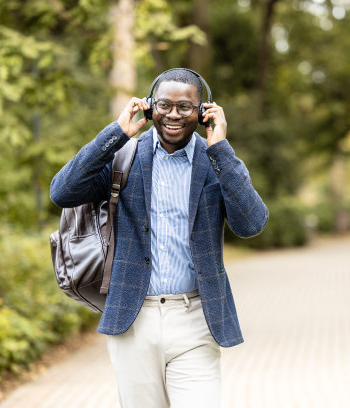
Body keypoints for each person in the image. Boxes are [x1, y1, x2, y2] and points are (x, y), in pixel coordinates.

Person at [49, 68, 268, 407]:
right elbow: (62, 191)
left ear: (203, 111)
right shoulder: (126, 156)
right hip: (134, 319)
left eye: (186, 107)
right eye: (165, 105)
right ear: (150, 107)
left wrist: (221, 147)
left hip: (196, 317)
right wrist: (115, 135)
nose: (174, 115)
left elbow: (252, 223)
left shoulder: (216, 161)